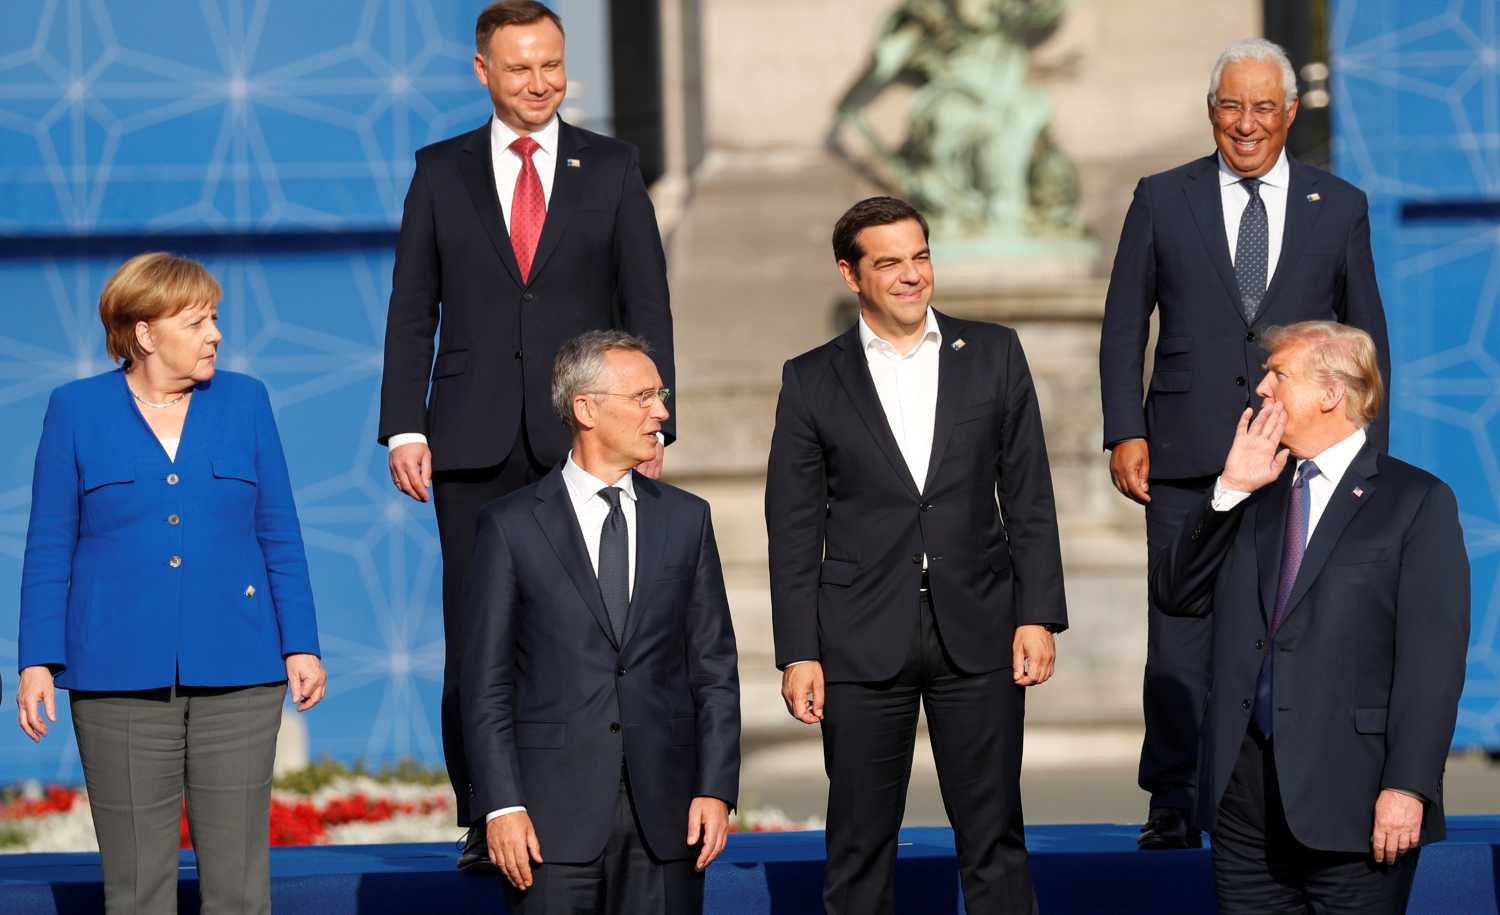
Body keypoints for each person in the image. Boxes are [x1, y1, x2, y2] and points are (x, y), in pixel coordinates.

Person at [376, 0, 675, 867]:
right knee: (478, 629)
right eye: (520, 68)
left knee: (599, 628)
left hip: (587, 436)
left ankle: (606, 802)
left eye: (552, 65)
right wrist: (404, 425)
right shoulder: (440, 171)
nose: (540, 83)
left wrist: (657, 415)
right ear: (483, 72)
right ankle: (485, 811)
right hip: (469, 439)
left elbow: (645, 302)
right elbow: (410, 310)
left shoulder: (613, 166)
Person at [1098, 38, 1392, 849]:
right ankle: (1173, 793)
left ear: (1291, 113)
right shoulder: (1163, 198)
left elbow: (1366, 337)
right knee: (1180, 621)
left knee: (1307, 619)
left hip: (1304, 456)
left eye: (1265, 106)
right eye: (1233, 105)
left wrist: (1367, 456)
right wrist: (1124, 428)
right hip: (1187, 456)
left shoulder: (1340, 204)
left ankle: (1304, 785)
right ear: (1211, 112)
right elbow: (1126, 323)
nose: (1248, 123)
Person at [766, 196, 1067, 915]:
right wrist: (798, 651)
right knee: (860, 844)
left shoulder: (993, 352)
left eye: (921, 256)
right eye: (890, 261)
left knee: (994, 836)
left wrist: (1038, 615)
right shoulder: (811, 377)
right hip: (860, 634)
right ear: (852, 274)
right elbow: (794, 526)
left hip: (982, 627)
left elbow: (1028, 493)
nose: (911, 275)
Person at [15, 252, 327, 914]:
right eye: (198, 321)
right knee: (136, 889)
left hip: (241, 670)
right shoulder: (74, 409)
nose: (215, 333)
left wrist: (300, 641)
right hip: (115, 676)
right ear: (145, 332)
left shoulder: (247, 400)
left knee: (240, 888)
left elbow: (279, 530)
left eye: (215, 318)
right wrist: (38, 659)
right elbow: (49, 543)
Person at [1151, 321, 1467, 913]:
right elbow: (1176, 595)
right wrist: (1227, 490)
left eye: (1279, 375)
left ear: (1330, 394)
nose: (1262, 390)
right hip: (1243, 805)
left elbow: (1433, 666)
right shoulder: (1253, 491)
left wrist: (1407, 786)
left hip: (1357, 800)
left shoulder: (1415, 502)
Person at [462, 331, 738, 914]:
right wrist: (501, 805)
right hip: (547, 825)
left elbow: (713, 667)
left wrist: (715, 787)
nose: (662, 411)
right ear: (585, 408)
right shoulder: (510, 526)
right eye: (643, 396)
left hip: (669, 823)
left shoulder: (687, 519)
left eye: (660, 394)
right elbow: (484, 682)